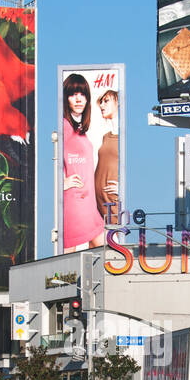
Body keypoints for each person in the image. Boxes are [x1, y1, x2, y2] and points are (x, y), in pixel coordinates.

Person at [61, 73, 105, 251]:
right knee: (65, 257)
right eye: (73, 94)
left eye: (82, 94)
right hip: (74, 202)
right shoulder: (63, 125)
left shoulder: (77, 129)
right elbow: (47, 159)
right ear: (66, 98)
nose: (78, 99)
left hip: (89, 204)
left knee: (102, 254)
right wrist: (60, 183)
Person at [93, 89, 121, 227]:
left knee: (115, 244)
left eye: (106, 101)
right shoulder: (105, 136)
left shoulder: (125, 137)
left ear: (118, 102)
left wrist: (123, 188)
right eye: (101, 102)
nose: (102, 105)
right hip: (98, 203)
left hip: (113, 203)